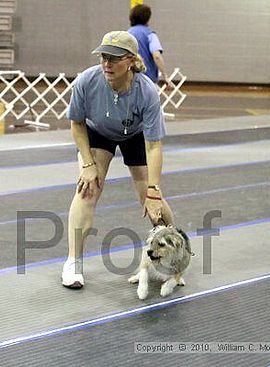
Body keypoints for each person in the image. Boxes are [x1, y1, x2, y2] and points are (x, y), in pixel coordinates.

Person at [61, 30, 175, 289]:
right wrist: (88, 165)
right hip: (98, 132)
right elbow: (76, 123)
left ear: (131, 61)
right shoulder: (86, 81)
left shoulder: (146, 92)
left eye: (114, 58)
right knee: (87, 189)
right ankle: (73, 262)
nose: (107, 64)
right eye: (103, 57)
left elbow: (154, 145)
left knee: (149, 194)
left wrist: (154, 190)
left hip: (134, 135)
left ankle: (174, 253)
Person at [128, 4, 175, 91]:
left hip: (129, 80)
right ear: (147, 18)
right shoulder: (150, 34)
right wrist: (165, 76)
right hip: (147, 80)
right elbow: (156, 56)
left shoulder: (127, 34)